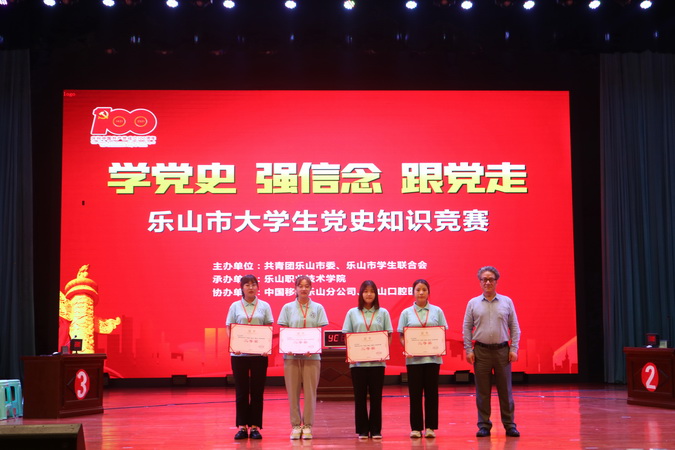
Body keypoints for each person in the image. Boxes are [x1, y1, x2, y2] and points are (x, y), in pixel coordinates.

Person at [462, 266, 521, 438]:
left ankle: (509, 425)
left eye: (491, 279)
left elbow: (514, 327)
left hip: (503, 351)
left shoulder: (507, 302)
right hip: (481, 352)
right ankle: (484, 425)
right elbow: (466, 328)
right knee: (482, 392)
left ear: (496, 281)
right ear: (480, 282)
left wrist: (514, 348)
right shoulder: (472, 303)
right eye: (484, 279)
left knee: (505, 391)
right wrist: (468, 349)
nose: (487, 282)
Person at [277, 275, 329, 440]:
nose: (304, 289)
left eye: (307, 286)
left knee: (310, 392)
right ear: (296, 288)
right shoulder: (287, 308)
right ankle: (295, 425)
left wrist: (312, 348)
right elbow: (284, 332)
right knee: (292, 392)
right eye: (301, 286)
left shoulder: (318, 308)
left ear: (311, 288)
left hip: (312, 357)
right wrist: (290, 347)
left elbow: (319, 332)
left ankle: (307, 426)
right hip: (291, 357)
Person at [342, 280, 393, 440]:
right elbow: (347, 337)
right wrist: (353, 352)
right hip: (358, 364)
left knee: (376, 397)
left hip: (378, 363)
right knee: (360, 397)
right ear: (361, 294)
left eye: (372, 291)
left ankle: (376, 429)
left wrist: (382, 351)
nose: (369, 294)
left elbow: (389, 336)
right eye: (365, 291)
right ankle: (363, 430)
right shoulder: (352, 313)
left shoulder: (383, 313)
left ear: (376, 294)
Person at [397, 279, 448, 439]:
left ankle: (431, 428)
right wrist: (408, 347)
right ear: (413, 292)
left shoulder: (437, 311)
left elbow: (442, 333)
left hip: (433, 359)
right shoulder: (406, 313)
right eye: (418, 289)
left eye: (424, 289)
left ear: (428, 292)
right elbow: (401, 335)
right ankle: (416, 428)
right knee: (415, 394)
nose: (421, 292)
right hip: (413, 360)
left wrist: (439, 347)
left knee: (432, 394)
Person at [225, 274, 274, 440]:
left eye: (253, 284)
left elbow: (268, 327)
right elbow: (229, 327)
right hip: (239, 355)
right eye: (247, 285)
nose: (251, 287)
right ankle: (242, 427)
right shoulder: (235, 306)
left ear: (258, 287)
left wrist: (266, 346)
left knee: (257, 391)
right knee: (241, 391)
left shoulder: (264, 306)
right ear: (242, 288)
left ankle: (255, 427)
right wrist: (234, 345)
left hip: (259, 355)